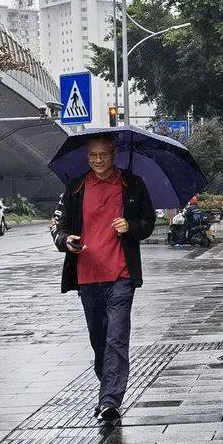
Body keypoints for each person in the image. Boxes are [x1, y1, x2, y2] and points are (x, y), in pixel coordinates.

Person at [50, 135, 156, 422]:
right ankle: (107, 385)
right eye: (92, 155)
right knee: (99, 341)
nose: (98, 160)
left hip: (121, 274)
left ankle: (110, 400)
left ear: (114, 154)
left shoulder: (132, 185)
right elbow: (57, 226)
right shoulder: (76, 187)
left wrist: (131, 225)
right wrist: (65, 240)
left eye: (103, 155)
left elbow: (148, 223)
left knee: (116, 339)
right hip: (87, 276)